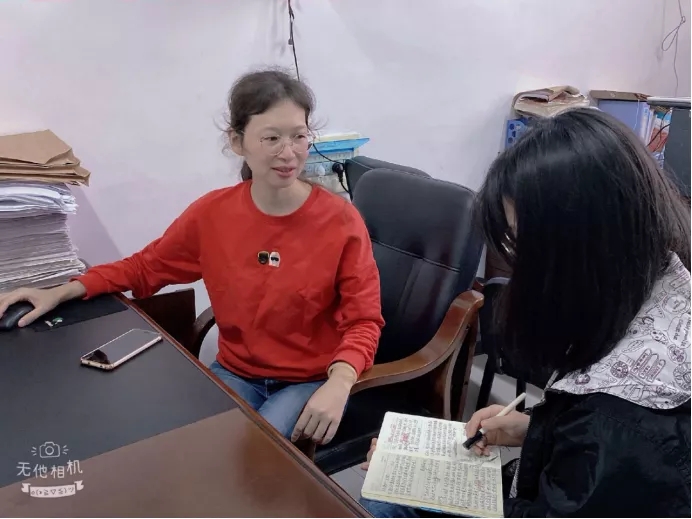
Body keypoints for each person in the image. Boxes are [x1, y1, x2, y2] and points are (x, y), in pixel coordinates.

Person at [0, 68, 385, 445]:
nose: (289, 153)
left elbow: (364, 320)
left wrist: (340, 382)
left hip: (309, 380)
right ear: (237, 142)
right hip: (237, 372)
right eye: (271, 138)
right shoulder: (213, 214)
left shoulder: (340, 221)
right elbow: (145, 267)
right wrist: (61, 291)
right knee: (185, 445)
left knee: (254, 455)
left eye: (299, 136)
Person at [360, 108, 691, 517]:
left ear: (588, 242)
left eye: (522, 244)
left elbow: (595, 456)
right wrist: (535, 429)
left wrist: (424, 478)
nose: (517, 265)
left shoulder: (618, 416)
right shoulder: (660, 279)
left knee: (385, 498)